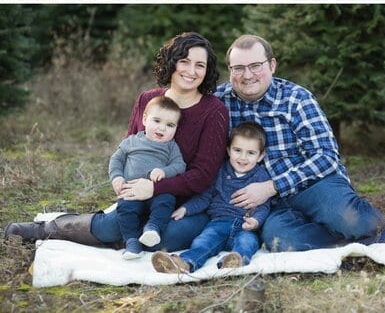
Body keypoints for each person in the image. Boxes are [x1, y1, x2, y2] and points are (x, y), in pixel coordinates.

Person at [214, 35, 385, 253]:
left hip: (314, 185)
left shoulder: (296, 98)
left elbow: (326, 156)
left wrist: (271, 187)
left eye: (255, 65)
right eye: (238, 68)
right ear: (230, 70)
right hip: (273, 205)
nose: (247, 75)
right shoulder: (220, 101)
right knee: (281, 241)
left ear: (272, 65)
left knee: (353, 221)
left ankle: (378, 230)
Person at [4, 33, 229, 252]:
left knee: (165, 238)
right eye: (184, 61)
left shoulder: (214, 111)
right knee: (115, 225)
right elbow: (127, 147)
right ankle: (46, 229)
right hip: (137, 195)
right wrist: (120, 179)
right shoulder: (147, 99)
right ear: (172, 63)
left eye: (200, 65)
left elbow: (202, 176)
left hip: (186, 204)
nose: (191, 71)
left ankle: (124, 236)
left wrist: (154, 187)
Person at [151, 122, 273, 273]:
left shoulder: (261, 176)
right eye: (237, 150)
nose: (243, 157)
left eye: (251, 153)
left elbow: (264, 205)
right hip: (218, 223)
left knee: (247, 243)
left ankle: (235, 262)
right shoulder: (220, 171)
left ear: (261, 156)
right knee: (203, 241)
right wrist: (185, 209)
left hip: (245, 226)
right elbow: (205, 197)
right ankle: (183, 263)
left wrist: (256, 221)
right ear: (228, 150)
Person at [108, 95, 186, 258]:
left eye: (170, 125)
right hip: (131, 189)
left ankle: (153, 228)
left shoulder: (171, 147)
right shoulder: (131, 141)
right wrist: (117, 177)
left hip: (157, 190)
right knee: (125, 210)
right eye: (157, 121)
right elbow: (116, 159)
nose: (162, 128)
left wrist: (164, 171)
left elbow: (180, 165)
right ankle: (131, 243)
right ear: (144, 119)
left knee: (166, 201)